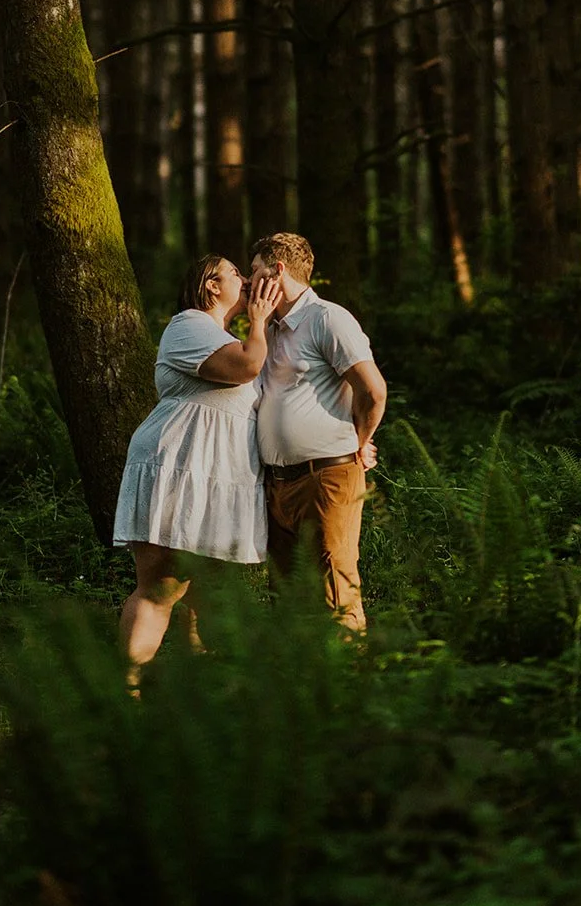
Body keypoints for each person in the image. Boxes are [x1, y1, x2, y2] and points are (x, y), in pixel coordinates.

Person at [114, 254, 281, 679]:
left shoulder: (222, 335)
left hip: (215, 475)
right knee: (162, 585)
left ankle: (198, 684)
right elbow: (247, 367)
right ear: (211, 285)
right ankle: (126, 691)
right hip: (179, 467)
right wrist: (259, 320)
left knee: (203, 589)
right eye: (236, 274)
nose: (246, 280)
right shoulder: (189, 325)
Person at [248, 232, 387, 633]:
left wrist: (359, 442)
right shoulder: (268, 329)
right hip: (277, 485)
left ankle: (350, 670)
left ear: (277, 270)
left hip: (326, 476)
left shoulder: (327, 318)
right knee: (288, 597)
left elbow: (373, 390)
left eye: (254, 270)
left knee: (334, 591)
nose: (248, 280)